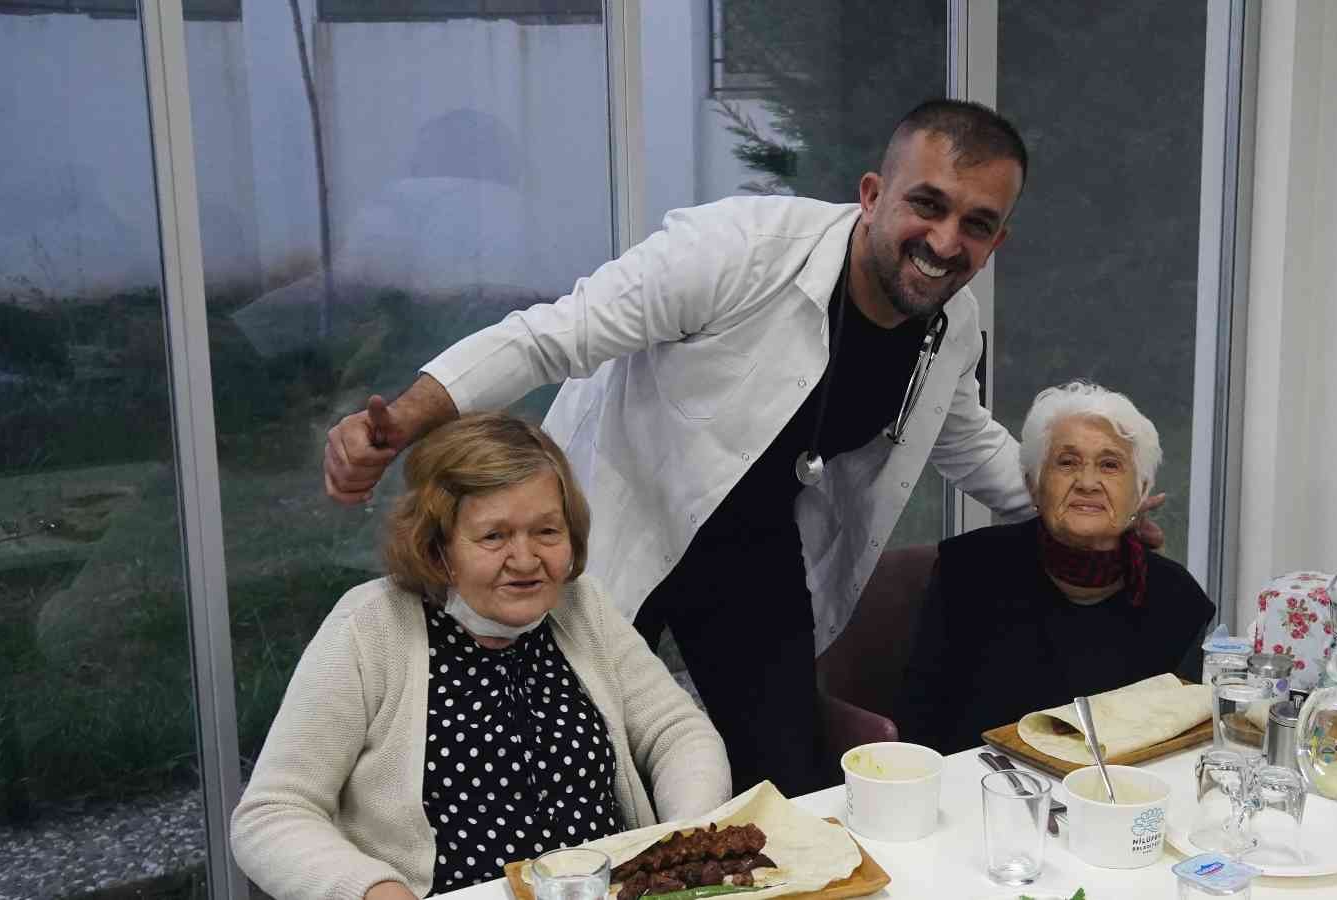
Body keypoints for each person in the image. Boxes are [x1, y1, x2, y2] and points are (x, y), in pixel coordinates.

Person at [323, 99, 1161, 795]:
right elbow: (552, 335)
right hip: (625, 518)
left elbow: (964, 436)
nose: (945, 243)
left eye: (977, 225)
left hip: (754, 549)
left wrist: (1080, 513)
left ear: (998, 240)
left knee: (786, 773)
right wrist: (401, 421)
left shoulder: (954, 323)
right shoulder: (737, 250)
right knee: (582, 767)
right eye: (927, 205)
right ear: (872, 194)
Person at [235, 414, 728, 900]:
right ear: (436, 547)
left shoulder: (583, 606)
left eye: (547, 532)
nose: (526, 559)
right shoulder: (369, 628)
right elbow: (273, 814)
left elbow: (677, 733)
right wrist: (374, 891)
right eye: (494, 536)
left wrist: (686, 839)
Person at [899, 381, 1212, 755]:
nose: (1088, 482)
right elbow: (920, 726)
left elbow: (1183, 746)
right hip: (987, 792)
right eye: (1067, 462)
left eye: (1110, 465)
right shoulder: (968, 570)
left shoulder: (1178, 600)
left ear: (1141, 492)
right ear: (1033, 486)